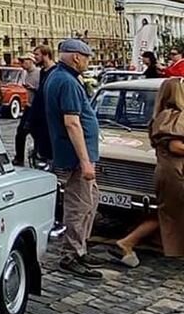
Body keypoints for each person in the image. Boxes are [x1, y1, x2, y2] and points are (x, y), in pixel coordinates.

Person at [43, 38, 102, 280]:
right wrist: (85, 161)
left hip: (80, 155)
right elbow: (72, 123)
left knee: (90, 200)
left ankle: (81, 248)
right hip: (76, 157)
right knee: (79, 205)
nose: (89, 62)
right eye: (87, 57)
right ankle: (71, 254)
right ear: (77, 57)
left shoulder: (61, 77)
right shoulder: (66, 81)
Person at [110, 77, 184, 267]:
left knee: (168, 212)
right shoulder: (175, 115)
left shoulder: (161, 114)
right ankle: (127, 242)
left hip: (167, 171)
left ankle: (134, 242)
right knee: (168, 213)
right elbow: (176, 146)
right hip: (176, 172)